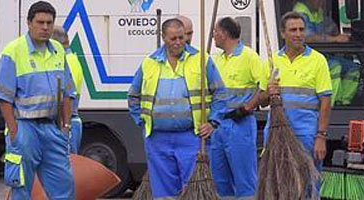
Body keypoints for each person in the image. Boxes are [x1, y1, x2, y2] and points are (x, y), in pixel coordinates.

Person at [127, 18, 226, 199]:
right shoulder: (149, 63)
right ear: (163, 37)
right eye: (173, 39)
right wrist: (142, 122)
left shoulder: (201, 60)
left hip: (192, 137)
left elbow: (220, 93)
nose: (178, 42)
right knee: (164, 193)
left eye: (181, 37)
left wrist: (213, 122)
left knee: (194, 190)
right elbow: (133, 96)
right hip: (158, 139)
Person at [0, 1, 75, 199]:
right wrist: (15, 132)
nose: (45, 27)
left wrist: (66, 126)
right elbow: (4, 98)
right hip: (24, 128)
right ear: (29, 23)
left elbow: (68, 93)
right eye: (40, 22)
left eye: (49, 22)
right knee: (20, 186)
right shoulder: (13, 52)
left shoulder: (58, 50)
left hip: (52, 129)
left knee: (64, 185)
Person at [263, 11, 332, 174]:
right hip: (275, 131)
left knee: (308, 179)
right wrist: (268, 93)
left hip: (306, 132)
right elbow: (261, 100)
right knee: (277, 179)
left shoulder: (318, 60)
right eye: (293, 30)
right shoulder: (272, 61)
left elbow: (326, 101)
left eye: (302, 29)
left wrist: (321, 137)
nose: (298, 34)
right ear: (282, 34)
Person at [209, 17, 265, 199]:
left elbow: (263, 86)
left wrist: (249, 106)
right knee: (220, 181)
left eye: (215, 32)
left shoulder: (249, 56)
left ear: (224, 34)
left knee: (244, 179)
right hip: (217, 126)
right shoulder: (216, 60)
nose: (213, 36)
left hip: (239, 125)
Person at [52, 26, 85, 154]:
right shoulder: (73, 59)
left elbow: (65, 97)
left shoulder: (65, 62)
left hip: (66, 122)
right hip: (72, 122)